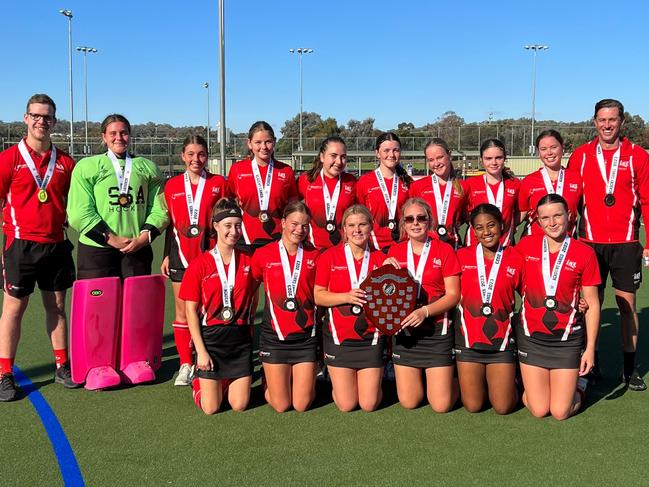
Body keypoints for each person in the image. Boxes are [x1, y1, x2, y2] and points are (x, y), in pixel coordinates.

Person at [0, 94, 78, 401]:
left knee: (57, 307)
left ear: (54, 121)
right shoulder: (9, 159)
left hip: (56, 245)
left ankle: (62, 365)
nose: (41, 121)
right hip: (20, 245)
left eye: (46, 117)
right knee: (14, 310)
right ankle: (5, 373)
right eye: (36, 115)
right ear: (25, 118)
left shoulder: (66, 162)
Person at [567, 99, 649, 390]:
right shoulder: (581, 155)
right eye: (602, 119)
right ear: (594, 122)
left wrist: (648, 242)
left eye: (612, 119)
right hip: (589, 243)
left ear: (622, 122)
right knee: (591, 305)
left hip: (626, 243)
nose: (607, 124)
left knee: (627, 306)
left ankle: (630, 370)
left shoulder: (637, 155)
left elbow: (648, 200)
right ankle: (592, 362)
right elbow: (572, 200)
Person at [515, 194, 600, 420]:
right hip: (531, 338)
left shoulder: (584, 252)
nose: (552, 223)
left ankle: (581, 384)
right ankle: (535, 384)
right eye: (545, 218)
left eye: (557, 216)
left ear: (569, 216)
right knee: (540, 410)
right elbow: (510, 282)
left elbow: (592, 302)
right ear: (538, 221)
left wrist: (590, 348)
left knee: (561, 412)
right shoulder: (525, 246)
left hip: (566, 340)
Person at [161, 135, 229, 386]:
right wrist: (167, 254)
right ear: (182, 156)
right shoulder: (171, 186)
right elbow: (170, 225)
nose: (195, 159)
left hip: (210, 257)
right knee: (181, 313)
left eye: (200, 154)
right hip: (180, 257)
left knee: (209, 310)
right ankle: (185, 364)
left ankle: (208, 358)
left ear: (207, 156)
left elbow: (225, 220)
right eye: (190, 154)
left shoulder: (219, 183)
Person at [67, 114, 168, 279]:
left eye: (124, 132)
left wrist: (143, 238)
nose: (119, 138)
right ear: (104, 137)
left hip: (136, 249)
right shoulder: (87, 167)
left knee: (135, 305)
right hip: (96, 250)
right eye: (113, 133)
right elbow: (79, 211)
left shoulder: (148, 167)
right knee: (100, 304)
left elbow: (159, 209)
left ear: (130, 135)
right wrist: (110, 238)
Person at [179, 198, 257, 414]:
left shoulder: (249, 261)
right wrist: (201, 352)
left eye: (238, 225)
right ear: (215, 226)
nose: (234, 231)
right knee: (211, 408)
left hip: (240, 340)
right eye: (228, 225)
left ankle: (223, 381)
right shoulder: (199, 265)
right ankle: (199, 379)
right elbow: (190, 312)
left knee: (239, 405)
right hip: (212, 340)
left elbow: (255, 295)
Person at [384, 198, 461, 411]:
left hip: (436, 330)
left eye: (421, 218)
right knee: (409, 402)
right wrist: (382, 272)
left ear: (429, 222)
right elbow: (385, 294)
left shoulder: (444, 250)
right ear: (403, 224)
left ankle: (456, 380)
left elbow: (453, 295)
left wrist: (425, 311)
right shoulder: (394, 252)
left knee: (441, 405)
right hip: (406, 332)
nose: (415, 223)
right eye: (410, 219)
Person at [314, 204, 386, 411]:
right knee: (346, 405)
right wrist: (346, 296)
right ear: (344, 229)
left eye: (362, 224)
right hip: (340, 338)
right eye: (351, 225)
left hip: (371, 338)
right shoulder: (329, 256)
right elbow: (319, 296)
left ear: (371, 227)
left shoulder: (382, 259)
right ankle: (333, 374)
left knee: (369, 404)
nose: (357, 230)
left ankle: (379, 372)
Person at [251, 201, 320, 412]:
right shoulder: (263, 254)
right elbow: (252, 286)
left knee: (301, 405)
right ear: (282, 223)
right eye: (294, 224)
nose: (299, 230)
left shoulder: (315, 255)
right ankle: (269, 379)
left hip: (305, 338)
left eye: (305, 226)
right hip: (275, 337)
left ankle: (294, 379)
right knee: (281, 405)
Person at [455, 204, 521, 414]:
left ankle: (517, 380)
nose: (486, 232)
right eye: (479, 228)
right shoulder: (461, 256)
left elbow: (534, 290)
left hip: (501, 341)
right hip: (468, 341)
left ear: (501, 226)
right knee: (473, 406)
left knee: (503, 407)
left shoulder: (516, 257)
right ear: (473, 231)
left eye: (491, 225)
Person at [228, 121, 298, 250]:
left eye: (268, 141)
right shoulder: (237, 169)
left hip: (278, 240)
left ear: (274, 142)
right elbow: (230, 203)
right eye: (258, 142)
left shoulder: (286, 171)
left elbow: (293, 208)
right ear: (249, 143)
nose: (264, 147)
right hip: (245, 240)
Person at [297, 136, 356, 250]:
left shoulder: (351, 181)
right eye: (333, 156)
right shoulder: (305, 180)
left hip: (344, 250)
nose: (339, 162)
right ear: (322, 157)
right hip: (312, 250)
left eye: (343, 157)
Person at [519, 130, 582, 236]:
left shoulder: (577, 178)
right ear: (539, 153)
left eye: (554, 147)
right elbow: (520, 214)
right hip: (536, 244)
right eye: (543, 149)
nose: (549, 152)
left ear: (562, 149)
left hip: (567, 244)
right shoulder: (528, 181)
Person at [356, 132, 411, 251]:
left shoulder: (407, 182)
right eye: (386, 150)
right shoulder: (364, 182)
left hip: (403, 247)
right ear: (377, 153)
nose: (391, 154)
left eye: (395, 150)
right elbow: (359, 216)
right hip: (373, 248)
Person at [409, 138, 465, 248]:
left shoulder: (463, 186)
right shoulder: (417, 187)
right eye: (431, 160)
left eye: (440, 157)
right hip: (424, 247)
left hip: (452, 246)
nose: (436, 163)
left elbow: (466, 217)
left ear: (449, 155)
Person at [462, 139, 520, 246]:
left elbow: (521, 210)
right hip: (476, 244)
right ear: (481, 160)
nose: (494, 162)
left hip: (504, 243)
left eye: (498, 158)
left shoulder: (515, 184)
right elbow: (463, 212)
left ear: (504, 158)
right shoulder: (469, 184)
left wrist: (508, 225)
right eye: (488, 158)